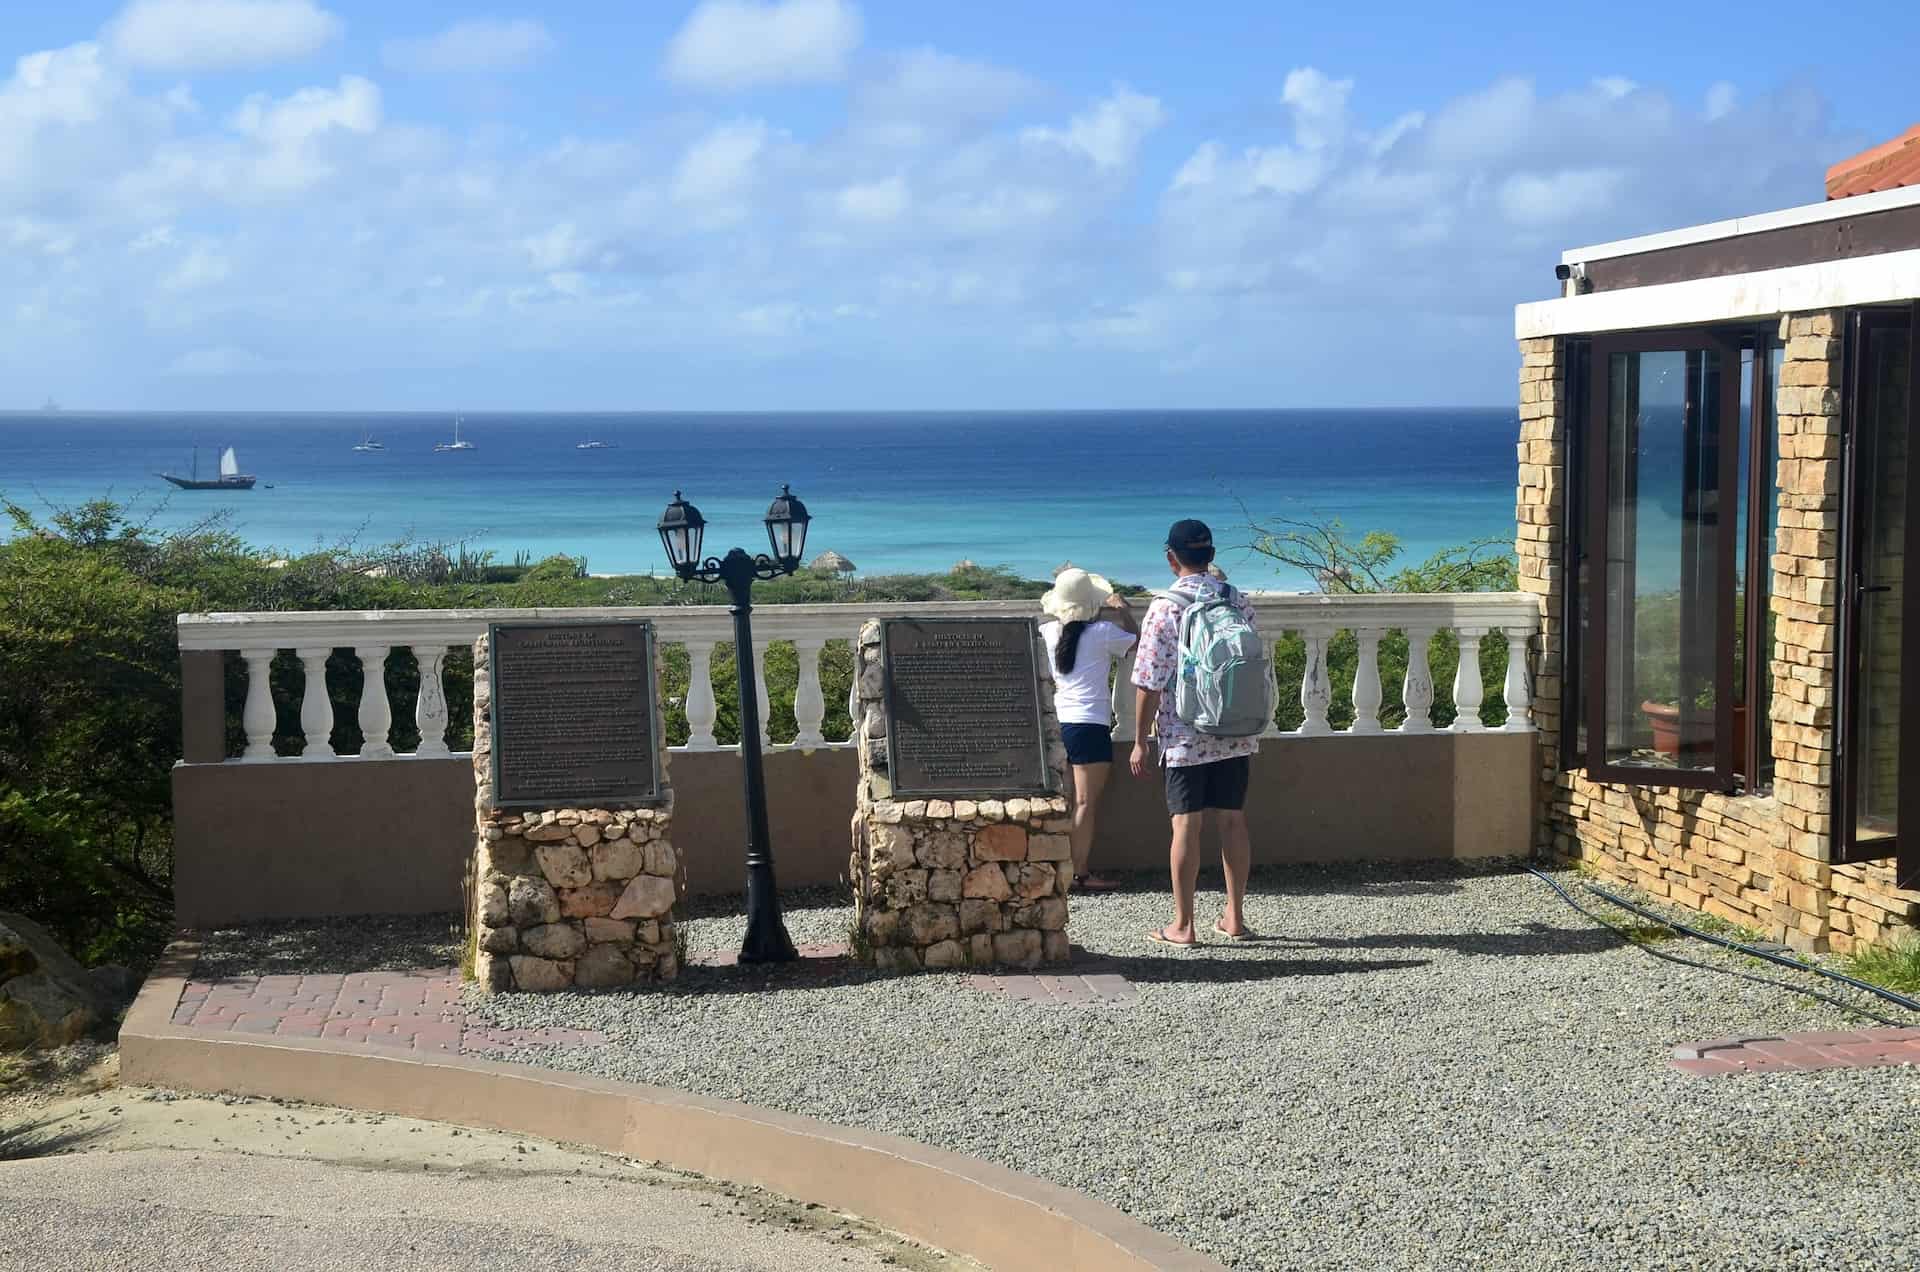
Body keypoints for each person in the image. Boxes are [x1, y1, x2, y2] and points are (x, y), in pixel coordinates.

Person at [1130, 519, 1257, 945]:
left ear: (1171, 558)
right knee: (1233, 822)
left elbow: (1149, 679)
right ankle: (1234, 918)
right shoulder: (1235, 599)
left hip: (1184, 733)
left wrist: (1139, 740)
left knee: (1185, 826)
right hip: (1236, 728)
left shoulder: (1166, 607)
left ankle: (1183, 925)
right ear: (1212, 555)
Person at [1039, 568, 1139, 893]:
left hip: (1059, 723)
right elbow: (1138, 643)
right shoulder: (1104, 633)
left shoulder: (1047, 632)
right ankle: (1079, 873)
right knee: (1085, 803)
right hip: (1090, 725)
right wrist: (1123, 611)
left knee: (1066, 800)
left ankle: (1056, 869)